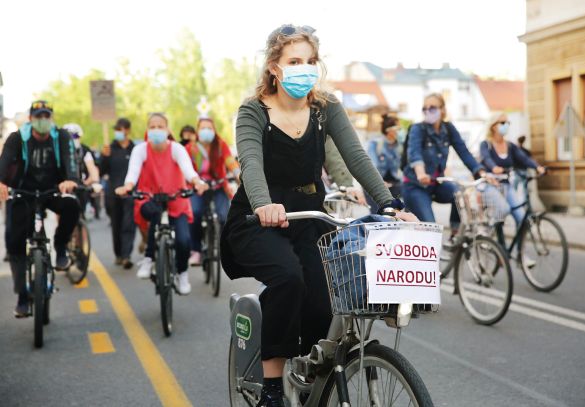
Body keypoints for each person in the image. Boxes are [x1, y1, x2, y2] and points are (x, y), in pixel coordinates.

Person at [219, 25, 416, 407]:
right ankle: (273, 389)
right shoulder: (253, 111)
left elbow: (356, 158)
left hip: (310, 216)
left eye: (310, 61)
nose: (304, 68)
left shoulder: (326, 108)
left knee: (325, 302)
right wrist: (262, 204)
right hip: (259, 219)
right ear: (275, 68)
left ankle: (310, 373)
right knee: (289, 279)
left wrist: (389, 204)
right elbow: (251, 163)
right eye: (294, 61)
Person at [0, 100, 80, 317]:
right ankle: (22, 297)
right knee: (14, 242)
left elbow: (71, 161)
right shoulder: (18, 138)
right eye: (38, 116)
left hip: (53, 190)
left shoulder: (61, 136)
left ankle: (61, 246)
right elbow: (4, 160)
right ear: (30, 119)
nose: (43, 121)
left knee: (72, 205)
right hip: (23, 193)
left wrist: (71, 180)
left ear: (51, 119)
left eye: (46, 116)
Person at [115, 113, 208, 295]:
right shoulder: (140, 150)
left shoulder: (177, 149)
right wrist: (127, 186)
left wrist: (197, 182)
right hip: (149, 197)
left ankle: (182, 274)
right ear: (147, 130)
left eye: (160, 126)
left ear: (167, 130)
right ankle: (149, 258)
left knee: (183, 240)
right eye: (152, 127)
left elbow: (188, 171)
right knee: (155, 213)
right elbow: (132, 173)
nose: (156, 130)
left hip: (176, 199)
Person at [402, 93, 487, 230]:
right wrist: (420, 173)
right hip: (416, 185)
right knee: (431, 229)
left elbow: (464, 152)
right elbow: (414, 153)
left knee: (458, 194)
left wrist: (480, 171)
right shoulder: (417, 129)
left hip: (437, 183)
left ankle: (455, 234)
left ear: (442, 110)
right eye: (425, 108)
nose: (428, 111)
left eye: (432, 108)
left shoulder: (448, 129)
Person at [187, 116, 239, 265]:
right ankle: (196, 250)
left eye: (209, 128)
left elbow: (230, 162)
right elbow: (186, 169)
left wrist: (238, 175)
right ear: (197, 131)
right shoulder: (191, 148)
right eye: (203, 128)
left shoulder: (220, 145)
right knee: (195, 214)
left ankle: (220, 246)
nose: (206, 131)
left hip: (218, 186)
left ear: (214, 130)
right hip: (198, 188)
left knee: (223, 217)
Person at [479, 113, 545, 227]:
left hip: (506, 185)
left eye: (508, 123)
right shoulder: (486, 144)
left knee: (522, 218)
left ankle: (517, 245)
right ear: (494, 126)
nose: (507, 125)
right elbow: (486, 158)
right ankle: (488, 234)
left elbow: (524, 158)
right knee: (503, 209)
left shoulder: (510, 146)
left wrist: (537, 167)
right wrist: (494, 167)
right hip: (490, 185)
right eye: (503, 123)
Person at [101, 117, 137, 269]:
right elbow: (102, 171)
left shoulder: (135, 149)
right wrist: (104, 157)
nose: (118, 132)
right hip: (112, 193)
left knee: (128, 223)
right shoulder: (110, 149)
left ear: (127, 130)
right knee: (116, 224)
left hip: (130, 192)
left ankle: (126, 255)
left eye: (120, 129)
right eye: (116, 129)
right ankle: (118, 254)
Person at [366, 113, 404, 213]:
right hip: (376, 183)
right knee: (378, 215)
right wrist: (381, 183)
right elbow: (372, 166)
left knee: (395, 215)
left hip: (394, 185)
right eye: (397, 128)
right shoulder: (375, 144)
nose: (399, 131)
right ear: (389, 130)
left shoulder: (400, 146)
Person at [62, 123, 100, 215]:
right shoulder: (58, 150)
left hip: (80, 187)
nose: (72, 139)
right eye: (69, 136)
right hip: (62, 188)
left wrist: (87, 183)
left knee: (80, 215)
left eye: (75, 136)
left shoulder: (85, 151)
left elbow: (93, 173)